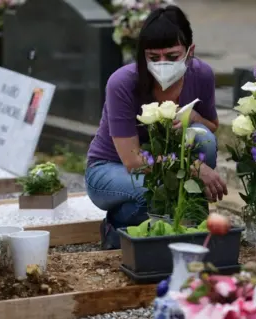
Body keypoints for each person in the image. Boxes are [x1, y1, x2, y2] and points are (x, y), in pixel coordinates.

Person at [85, 5, 228, 250]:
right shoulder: (122, 83)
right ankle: (117, 229)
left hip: (164, 164)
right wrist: (194, 168)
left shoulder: (201, 74)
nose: (162, 64)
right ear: (143, 56)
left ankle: (185, 226)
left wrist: (194, 118)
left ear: (189, 51)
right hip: (110, 169)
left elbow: (212, 127)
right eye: (153, 57)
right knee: (155, 190)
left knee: (203, 139)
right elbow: (132, 162)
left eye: (172, 57)